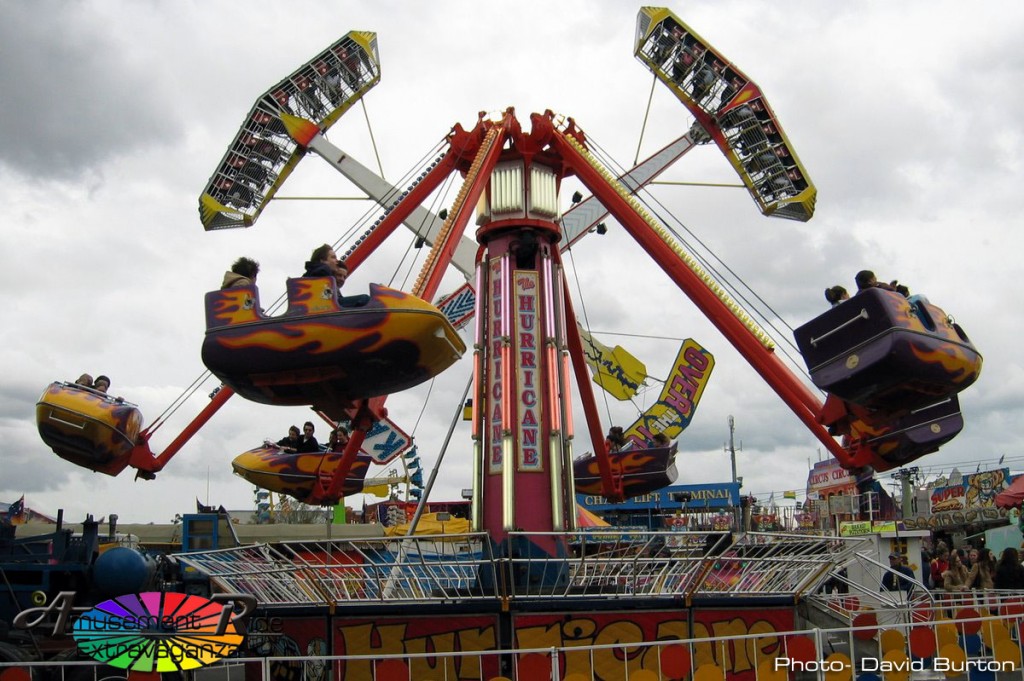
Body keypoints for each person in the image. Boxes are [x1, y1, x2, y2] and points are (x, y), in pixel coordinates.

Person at [303, 244, 369, 307]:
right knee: (365, 299)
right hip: (322, 307)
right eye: (333, 257)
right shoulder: (324, 270)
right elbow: (327, 299)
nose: (336, 261)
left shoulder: (313, 272)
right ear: (322, 260)